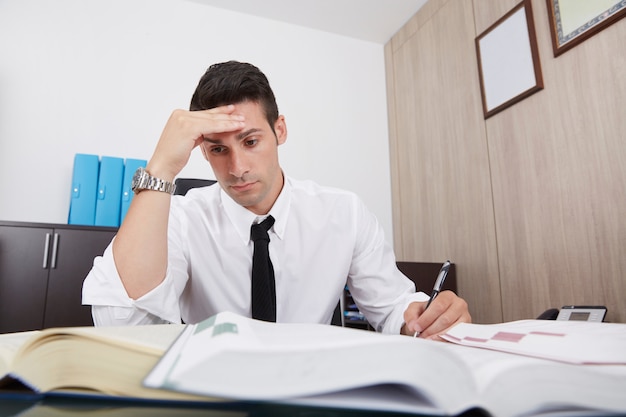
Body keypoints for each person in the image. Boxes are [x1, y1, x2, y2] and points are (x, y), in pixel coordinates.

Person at [82, 60, 470, 338]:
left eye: (251, 141)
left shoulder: (344, 213)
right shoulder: (182, 219)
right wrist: (162, 167)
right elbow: (121, 324)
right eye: (218, 150)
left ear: (279, 130)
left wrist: (425, 318)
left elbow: (391, 308)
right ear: (202, 151)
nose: (237, 167)